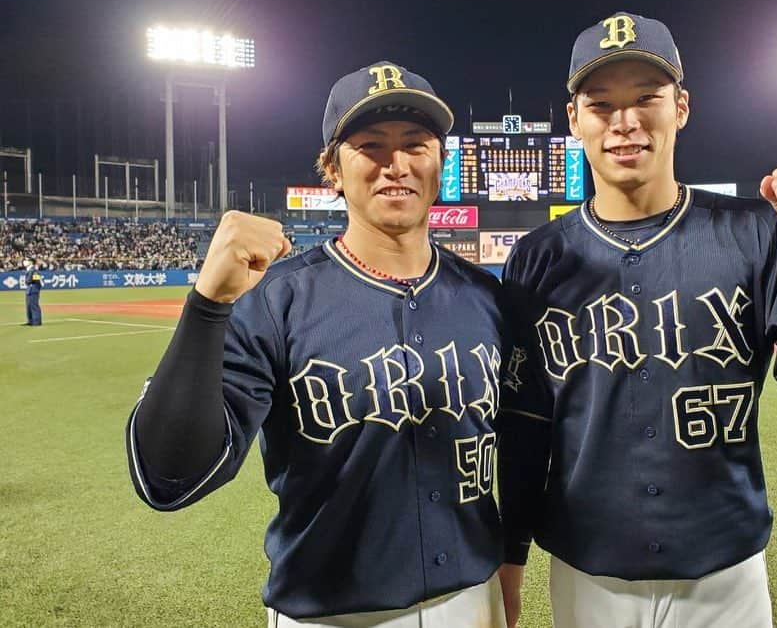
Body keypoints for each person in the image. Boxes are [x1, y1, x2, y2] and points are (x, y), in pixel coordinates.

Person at [496, 13, 777, 628]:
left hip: (724, 577)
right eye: (601, 104)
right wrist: (510, 554)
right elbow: (525, 424)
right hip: (586, 572)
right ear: (574, 120)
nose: (625, 122)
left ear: (680, 107)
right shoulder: (539, 257)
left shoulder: (755, 232)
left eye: (646, 99)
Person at [126, 62, 509, 627]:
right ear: (332, 169)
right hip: (330, 616)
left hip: (474, 602)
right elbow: (169, 478)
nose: (395, 165)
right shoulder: (275, 300)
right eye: (370, 146)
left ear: (440, 162)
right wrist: (209, 304)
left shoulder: (486, 297)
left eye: (415, 145)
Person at [23, 258, 43, 326]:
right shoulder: (29, 270)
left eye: (26, 260)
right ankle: (30, 320)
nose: (24, 262)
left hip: (33, 289)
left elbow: (37, 280)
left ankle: (37, 321)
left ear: (31, 262)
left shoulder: (34, 270)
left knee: (34, 306)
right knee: (28, 306)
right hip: (29, 289)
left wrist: (30, 281)